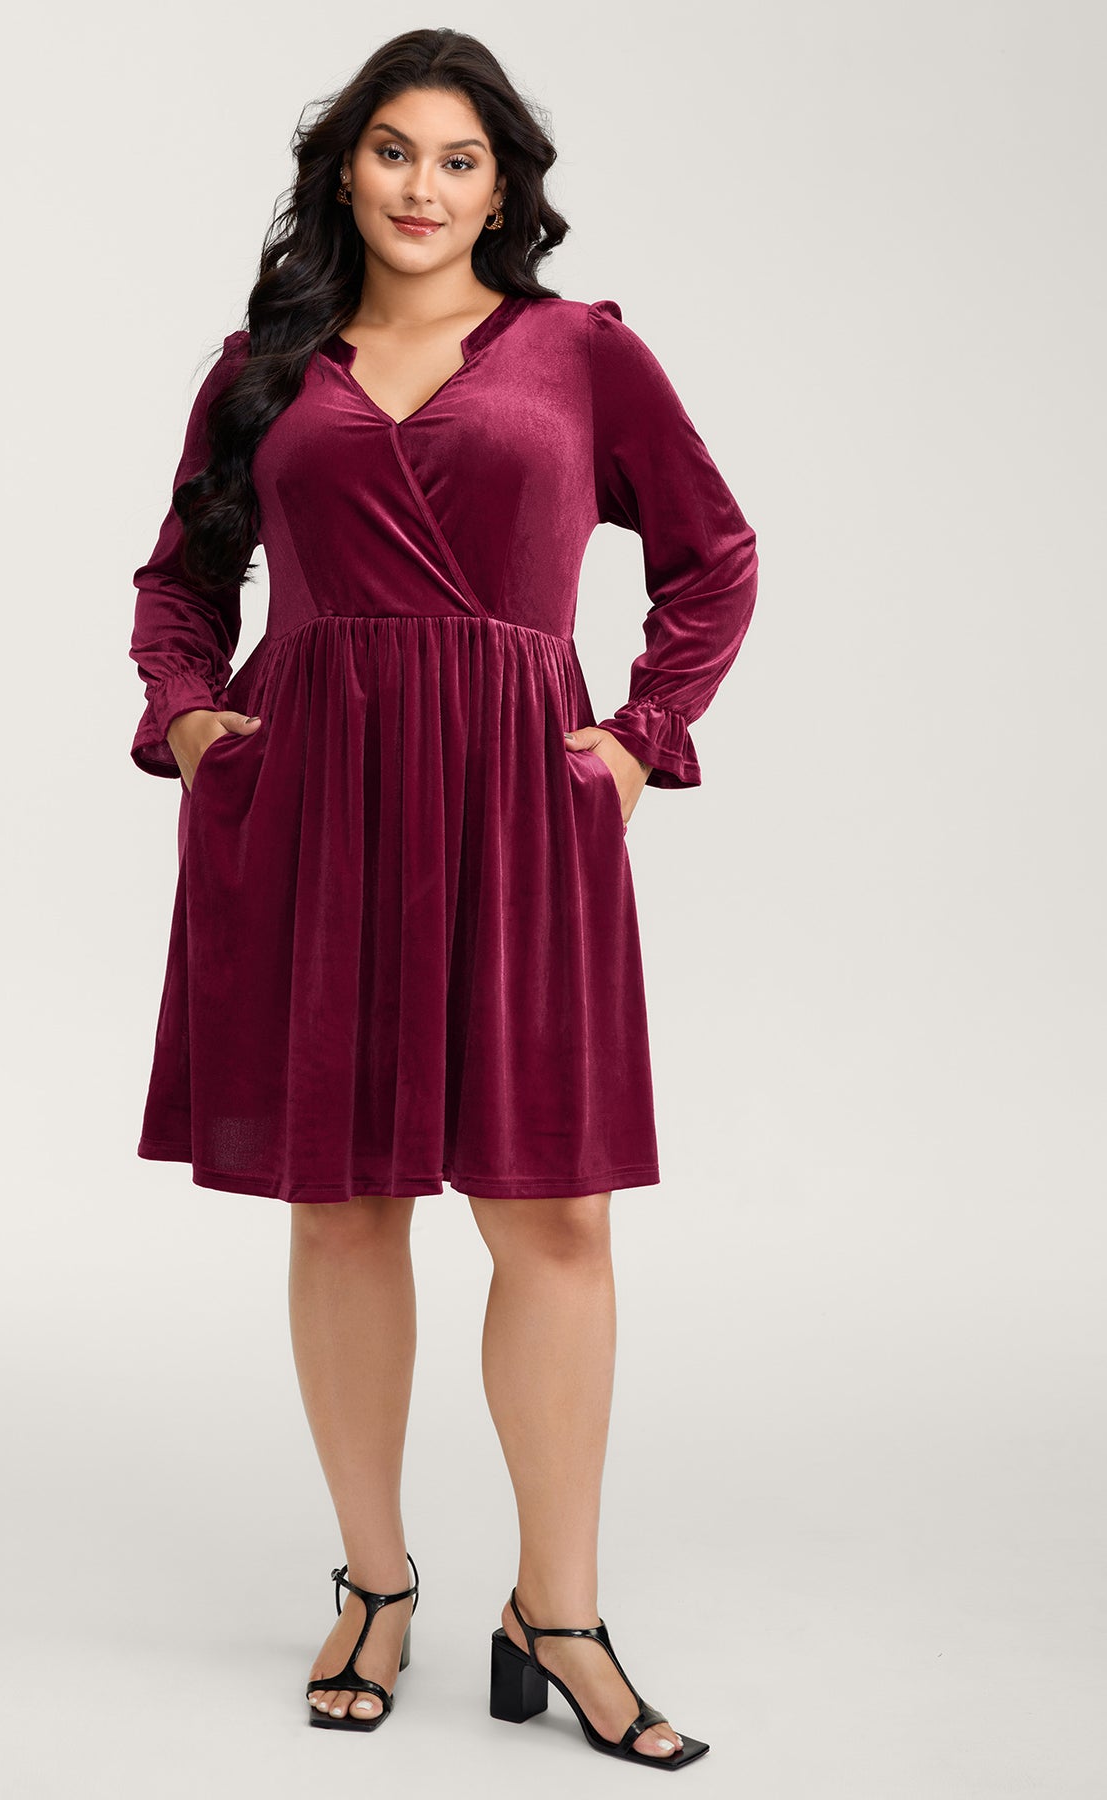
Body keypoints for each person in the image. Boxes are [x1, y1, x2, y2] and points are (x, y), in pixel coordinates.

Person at [126, 28, 757, 1769]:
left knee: (554, 1217)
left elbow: (711, 556)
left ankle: (558, 1608)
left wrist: (639, 738)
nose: (423, 186)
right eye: (393, 151)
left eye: (459, 159)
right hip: (315, 804)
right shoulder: (265, 368)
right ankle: (377, 1581)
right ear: (344, 171)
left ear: (502, 188)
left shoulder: (582, 354)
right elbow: (181, 580)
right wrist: (190, 717)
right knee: (342, 1206)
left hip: (515, 805)